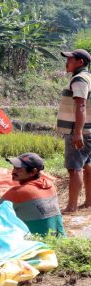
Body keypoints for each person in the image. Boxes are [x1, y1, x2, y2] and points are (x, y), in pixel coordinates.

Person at [0, 153, 65, 236]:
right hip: (60, 239)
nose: (13, 172)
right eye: (14, 168)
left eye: (19, 169)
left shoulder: (17, 192)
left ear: (33, 172)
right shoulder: (50, 184)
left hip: (38, 243)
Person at [57, 49, 91, 212]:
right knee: (87, 165)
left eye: (70, 59)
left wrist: (77, 132)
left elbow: (81, 105)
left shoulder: (79, 79)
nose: (67, 62)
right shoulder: (88, 77)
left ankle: (71, 207)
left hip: (78, 131)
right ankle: (89, 202)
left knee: (74, 168)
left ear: (80, 62)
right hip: (88, 129)